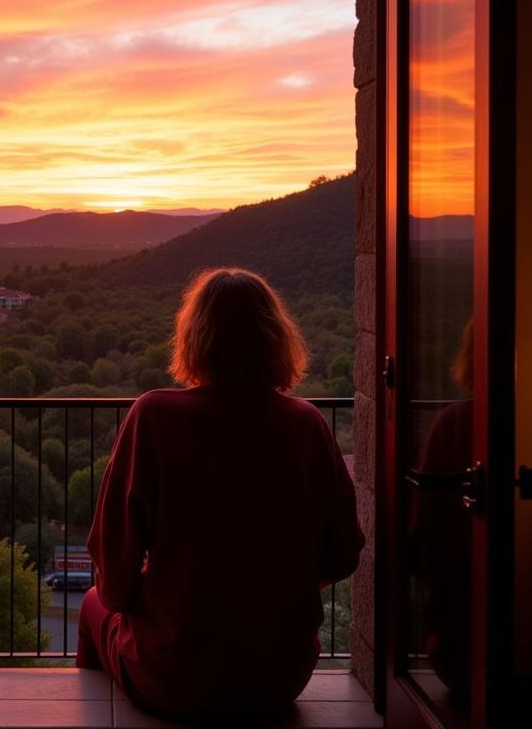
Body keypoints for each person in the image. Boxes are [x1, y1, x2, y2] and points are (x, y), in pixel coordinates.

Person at [76, 268, 364, 720]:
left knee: (93, 606)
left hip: (172, 678)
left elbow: (113, 581)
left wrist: (159, 590)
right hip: (279, 677)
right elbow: (343, 553)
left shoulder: (154, 416)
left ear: (195, 337)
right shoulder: (306, 424)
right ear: (275, 338)